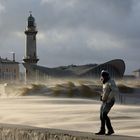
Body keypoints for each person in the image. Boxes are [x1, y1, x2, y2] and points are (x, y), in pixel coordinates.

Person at [95, 70, 118, 135]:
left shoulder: (111, 81)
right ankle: (102, 130)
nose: (102, 77)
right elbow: (105, 92)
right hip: (104, 101)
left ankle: (110, 130)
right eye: (102, 76)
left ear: (107, 76)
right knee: (101, 116)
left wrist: (108, 98)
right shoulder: (105, 82)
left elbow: (115, 91)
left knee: (104, 114)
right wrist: (102, 97)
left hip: (110, 101)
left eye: (104, 76)